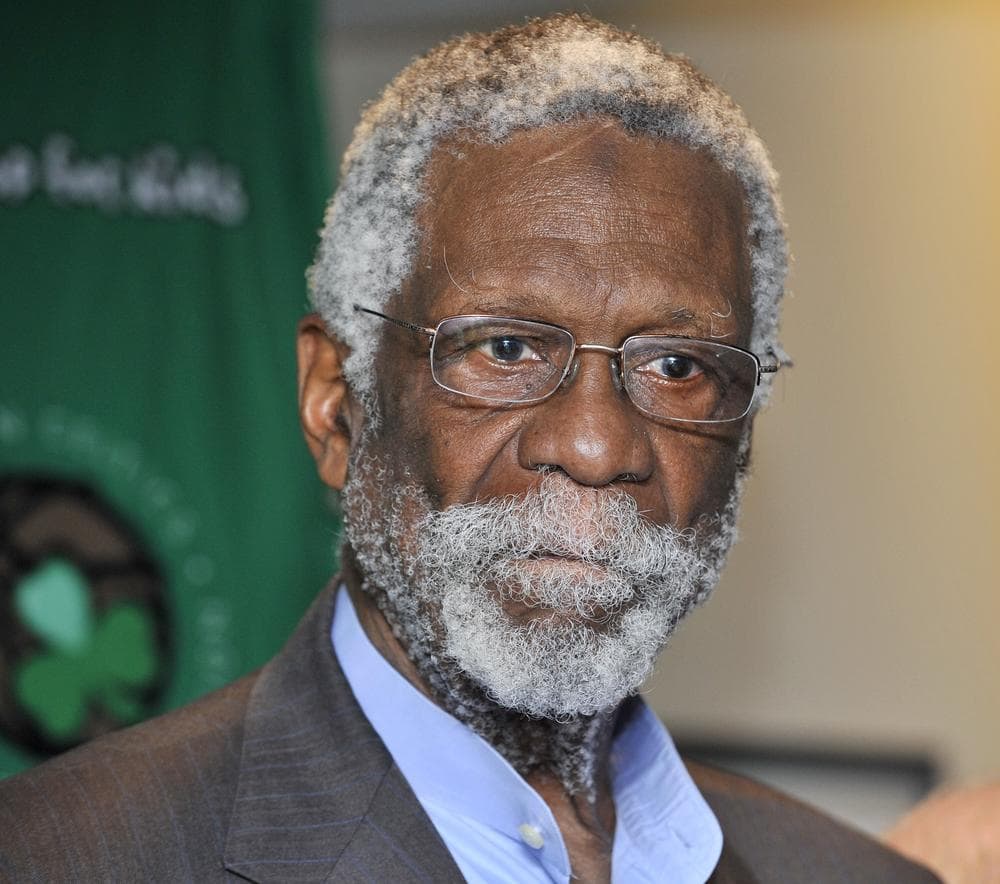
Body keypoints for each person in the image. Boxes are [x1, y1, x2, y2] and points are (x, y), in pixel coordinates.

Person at [0, 14, 941, 883]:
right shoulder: (61, 857)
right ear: (337, 403)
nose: (595, 443)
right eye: (506, 348)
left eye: (677, 367)